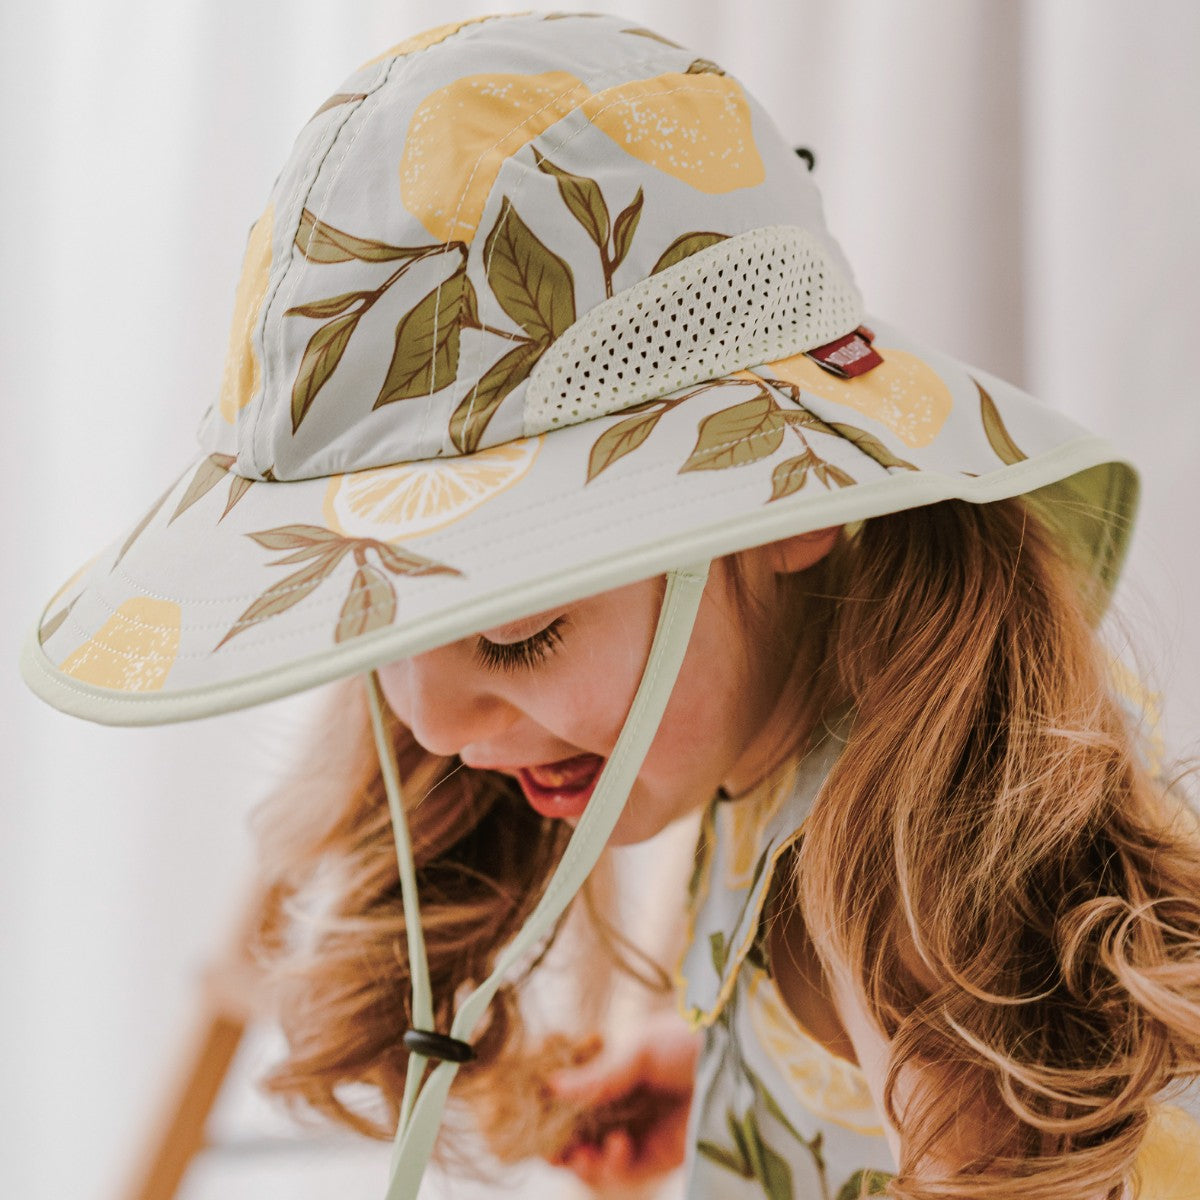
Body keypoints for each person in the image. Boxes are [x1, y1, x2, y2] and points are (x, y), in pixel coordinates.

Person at [19, 12, 1200, 1200]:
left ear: (782, 511)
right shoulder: (822, 751)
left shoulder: (912, 905)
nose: (434, 727)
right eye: (389, 633)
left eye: (517, 630)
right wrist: (762, 1086)